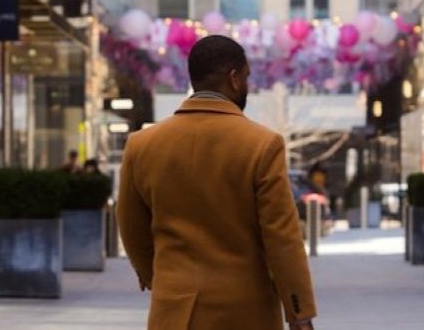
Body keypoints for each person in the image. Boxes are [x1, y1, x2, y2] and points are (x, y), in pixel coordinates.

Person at [117, 36, 317, 330]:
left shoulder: (141, 144)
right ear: (234, 78)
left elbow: (131, 228)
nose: (247, 85)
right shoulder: (262, 145)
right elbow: (281, 237)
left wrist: (163, 281)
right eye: (246, 76)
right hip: (246, 312)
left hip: (174, 311)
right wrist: (299, 311)